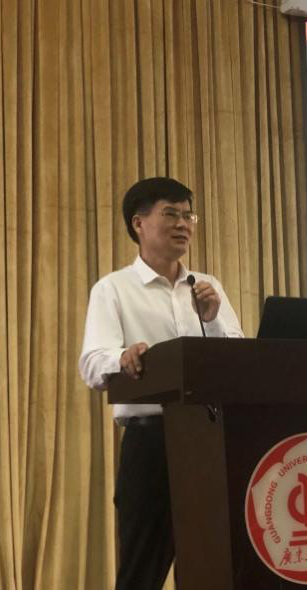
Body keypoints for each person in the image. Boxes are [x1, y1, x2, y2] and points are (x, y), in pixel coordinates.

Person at [78, 177, 244, 589]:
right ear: (138, 223)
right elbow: (93, 364)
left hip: (210, 440)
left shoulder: (206, 287)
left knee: (218, 564)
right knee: (141, 570)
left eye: (189, 215)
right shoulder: (113, 289)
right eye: (170, 214)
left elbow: (237, 360)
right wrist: (123, 358)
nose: (183, 224)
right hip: (151, 441)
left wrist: (212, 319)